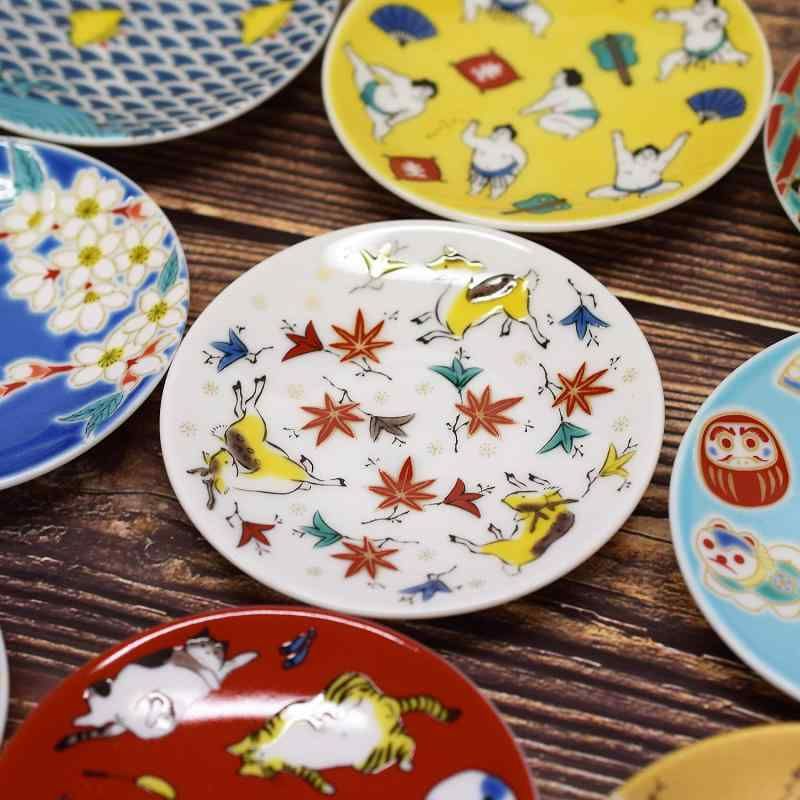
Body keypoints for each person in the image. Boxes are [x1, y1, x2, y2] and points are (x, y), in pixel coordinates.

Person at [345, 45, 437, 141]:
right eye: (425, 89)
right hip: (370, 90)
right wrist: (375, 68)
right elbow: (389, 74)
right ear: (421, 84)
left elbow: (405, 116)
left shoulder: (419, 106)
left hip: (380, 113)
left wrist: (392, 122)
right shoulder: (404, 82)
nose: (423, 93)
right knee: (361, 67)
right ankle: (347, 48)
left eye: (427, 95)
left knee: (379, 134)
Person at [654, 0, 749, 81]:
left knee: (726, 57)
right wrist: (665, 15)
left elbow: (722, 18)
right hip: (691, 52)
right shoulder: (689, 14)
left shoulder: (717, 12)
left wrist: (716, 23)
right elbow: (674, 15)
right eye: (701, 2)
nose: (703, 4)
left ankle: (742, 57)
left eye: (707, 2)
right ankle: (662, 76)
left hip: (716, 49)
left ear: (713, 4)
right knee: (669, 59)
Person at [588, 130, 690, 200]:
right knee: (593, 194)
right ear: (635, 155)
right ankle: (622, 194)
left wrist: (682, 138)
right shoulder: (627, 162)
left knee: (676, 185)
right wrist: (617, 137)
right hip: (622, 189)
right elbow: (620, 150)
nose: (647, 156)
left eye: (651, 155)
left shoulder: (657, 164)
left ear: (656, 158)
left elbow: (671, 152)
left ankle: (648, 193)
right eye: (643, 154)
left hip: (652, 186)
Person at [520, 68, 599, 139]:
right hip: (589, 120)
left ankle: (571, 131)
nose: (554, 77)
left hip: (578, 118)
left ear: (564, 80)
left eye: (558, 76)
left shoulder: (561, 91)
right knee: (550, 117)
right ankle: (571, 130)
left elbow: (544, 103)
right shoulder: (577, 90)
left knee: (544, 120)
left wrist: (528, 110)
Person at [462, 121, 528, 199]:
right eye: (497, 132)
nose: (499, 134)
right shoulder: (483, 142)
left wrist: (517, 169)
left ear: (510, 138)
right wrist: (472, 127)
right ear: (493, 133)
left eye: (504, 134)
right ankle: (474, 190)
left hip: (501, 172)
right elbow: (467, 139)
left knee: (498, 186)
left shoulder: (512, 147)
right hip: (479, 169)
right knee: (476, 183)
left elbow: (522, 159)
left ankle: (494, 195)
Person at [463, 0, 552, 36]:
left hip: (521, 10)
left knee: (545, 18)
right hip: (495, 5)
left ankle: (536, 33)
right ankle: (469, 19)